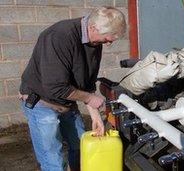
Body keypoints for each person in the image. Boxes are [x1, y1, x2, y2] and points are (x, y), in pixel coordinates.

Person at [19, 6, 126, 171]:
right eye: (107, 38)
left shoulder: (94, 41)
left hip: (67, 101)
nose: (109, 43)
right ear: (92, 28)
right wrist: (90, 99)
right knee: (53, 158)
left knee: (79, 147)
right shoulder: (59, 37)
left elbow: (87, 82)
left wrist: (95, 116)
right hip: (42, 101)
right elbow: (55, 87)